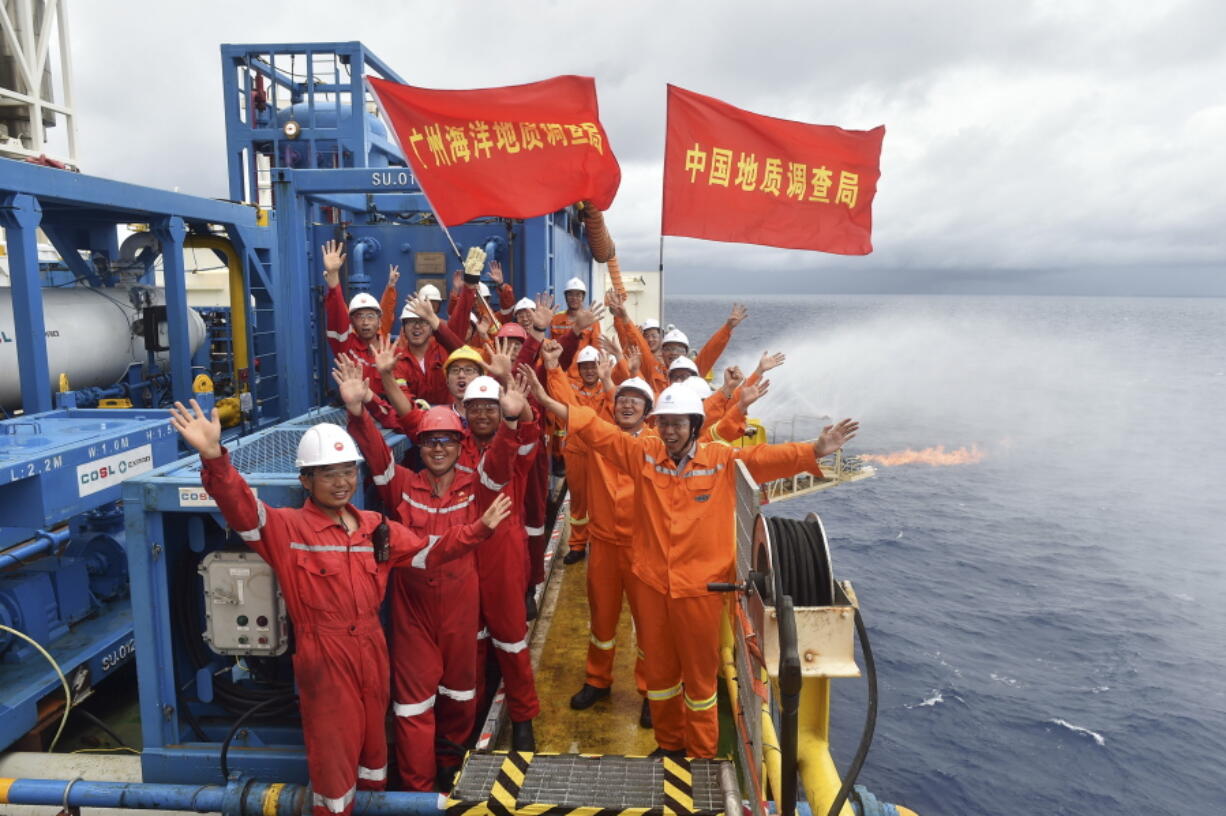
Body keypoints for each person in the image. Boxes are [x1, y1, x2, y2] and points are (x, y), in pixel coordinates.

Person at [169, 400, 511, 815]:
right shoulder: (289, 530)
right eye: (328, 474)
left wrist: (478, 530)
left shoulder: (374, 528)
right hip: (326, 660)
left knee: (374, 759)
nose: (341, 481)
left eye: (348, 471)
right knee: (334, 774)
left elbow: (429, 550)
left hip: (372, 652)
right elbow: (242, 509)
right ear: (306, 480)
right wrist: (214, 458)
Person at [534, 383, 858, 759]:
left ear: (694, 425)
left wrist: (815, 450)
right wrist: (546, 401)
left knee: (701, 682)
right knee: (659, 674)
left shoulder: (721, 459)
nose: (669, 431)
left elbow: (765, 459)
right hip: (653, 585)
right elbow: (597, 432)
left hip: (700, 592)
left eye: (677, 423)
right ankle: (670, 743)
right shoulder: (645, 454)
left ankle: (701, 753)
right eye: (664, 423)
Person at [334, 357, 529, 792]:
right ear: (418, 448)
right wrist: (356, 412)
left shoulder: (475, 488)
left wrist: (511, 422)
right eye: (429, 442)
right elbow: (377, 454)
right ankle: (418, 789)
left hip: (462, 611)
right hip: (414, 616)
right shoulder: (403, 486)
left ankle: (450, 767)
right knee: (412, 706)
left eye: (446, 441)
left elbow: (499, 465)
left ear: (461, 445)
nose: (437, 449)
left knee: (461, 696)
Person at [524, 362, 656, 725]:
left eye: (636, 401)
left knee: (648, 625)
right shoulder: (599, 437)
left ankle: (651, 692)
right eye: (623, 399)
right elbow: (572, 408)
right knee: (601, 619)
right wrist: (547, 379)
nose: (627, 405)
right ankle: (598, 680)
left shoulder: (656, 447)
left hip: (643, 549)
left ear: (648, 411)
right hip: (603, 547)